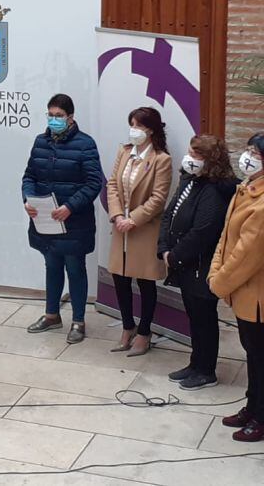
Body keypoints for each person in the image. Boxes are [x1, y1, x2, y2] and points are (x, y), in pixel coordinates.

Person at [208, 132, 264, 442]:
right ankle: (252, 407)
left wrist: (218, 282)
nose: (248, 156)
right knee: (252, 350)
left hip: (257, 290)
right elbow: (227, 238)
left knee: (261, 353)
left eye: (255, 152)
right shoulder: (247, 190)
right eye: (249, 149)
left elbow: (248, 255)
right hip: (241, 286)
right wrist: (215, 269)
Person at [157, 134, 239, 389]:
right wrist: (163, 248)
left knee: (204, 318)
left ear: (211, 161)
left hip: (200, 265)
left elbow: (203, 231)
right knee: (194, 316)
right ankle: (196, 363)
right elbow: (170, 213)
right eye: (190, 152)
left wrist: (176, 255)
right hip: (183, 263)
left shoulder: (215, 190)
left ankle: (206, 370)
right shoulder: (189, 179)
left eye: (197, 155)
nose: (190, 158)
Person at [22, 93, 104, 344]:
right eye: (51, 115)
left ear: (70, 117)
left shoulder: (85, 144)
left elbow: (94, 183)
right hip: (45, 219)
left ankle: (78, 321)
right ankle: (51, 314)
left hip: (74, 220)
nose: (54, 120)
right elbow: (29, 176)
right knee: (52, 265)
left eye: (59, 116)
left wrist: (70, 206)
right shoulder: (40, 142)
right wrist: (28, 198)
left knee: (75, 268)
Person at [106, 107, 172, 356]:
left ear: (151, 130)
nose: (133, 129)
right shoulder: (124, 152)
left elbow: (158, 198)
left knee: (145, 283)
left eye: (138, 125)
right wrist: (116, 215)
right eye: (131, 123)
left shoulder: (161, 159)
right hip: (119, 226)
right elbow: (112, 184)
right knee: (120, 278)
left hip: (143, 229)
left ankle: (145, 332)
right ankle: (127, 327)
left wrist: (132, 219)